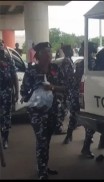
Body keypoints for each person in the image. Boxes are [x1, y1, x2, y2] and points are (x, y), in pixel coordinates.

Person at [20, 42, 65, 180]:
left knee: (47, 139)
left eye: (50, 51)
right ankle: (41, 171)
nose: (49, 54)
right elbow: (24, 92)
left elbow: (65, 87)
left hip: (52, 110)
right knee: (42, 140)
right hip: (36, 112)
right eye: (46, 51)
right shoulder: (31, 71)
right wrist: (36, 91)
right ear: (38, 55)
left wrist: (52, 87)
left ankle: (44, 166)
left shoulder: (55, 69)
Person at [56, 45, 78, 144]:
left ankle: (66, 129)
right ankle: (58, 128)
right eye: (71, 49)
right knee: (63, 109)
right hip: (66, 88)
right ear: (67, 51)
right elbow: (66, 76)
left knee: (65, 108)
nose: (73, 51)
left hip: (68, 88)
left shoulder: (69, 60)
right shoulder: (66, 61)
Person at [0, 40, 19, 149]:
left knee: (6, 117)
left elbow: (14, 77)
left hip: (6, 93)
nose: (1, 53)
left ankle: (5, 139)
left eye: (2, 51)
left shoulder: (9, 61)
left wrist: (16, 92)